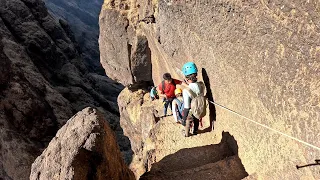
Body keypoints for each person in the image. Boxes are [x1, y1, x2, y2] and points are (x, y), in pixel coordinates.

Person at [181, 62, 206, 137]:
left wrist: (183, 119)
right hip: (200, 108)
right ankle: (195, 131)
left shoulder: (186, 90)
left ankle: (186, 133)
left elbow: (186, 107)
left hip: (192, 109)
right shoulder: (201, 84)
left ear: (186, 78)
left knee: (188, 120)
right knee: (196, 119)